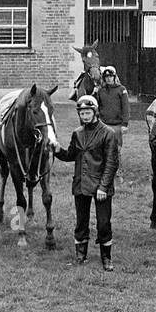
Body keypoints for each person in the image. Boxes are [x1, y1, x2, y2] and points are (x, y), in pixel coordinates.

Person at [53, 94, 120, 270]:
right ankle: (80, 254)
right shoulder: (77, 133)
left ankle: (106, 258)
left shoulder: (108, 133)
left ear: (95, 112)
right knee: (81, 222)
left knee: (103, 223)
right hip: (81, 184)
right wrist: (57, 150)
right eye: (82, 113)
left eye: (87, 112)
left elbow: (112, 163)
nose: (84, 116)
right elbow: (71, 155)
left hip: (100, 186)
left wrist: (103, 187)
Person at [95, 66, 130, 149]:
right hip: (103, 124)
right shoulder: (100, 90)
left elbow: (125, 107)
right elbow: (97, 106)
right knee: (102, 148)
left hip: (117, 125)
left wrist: (125, 124)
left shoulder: (121, 89)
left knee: (116, 149)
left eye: (110, 76)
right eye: (106, 77)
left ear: (114, 77)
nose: (108, 79)